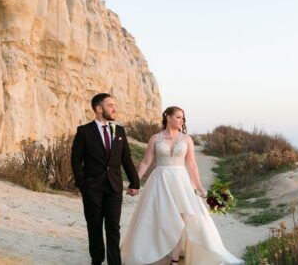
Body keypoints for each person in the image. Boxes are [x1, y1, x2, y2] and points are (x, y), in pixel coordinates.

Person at [120, 106, 243, 265]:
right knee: (161, 219)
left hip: (181, 182)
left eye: (183, 117)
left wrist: (199, 186)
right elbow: (146, 162)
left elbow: (191, 164)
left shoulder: (187, 139)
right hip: (160, 182)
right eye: (178, 117)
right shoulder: (155, 139)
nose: (182, 120)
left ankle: (175, 260)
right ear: (168, 117)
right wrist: (134, 183)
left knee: (180, 220)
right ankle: (159, 253)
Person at [71, 93, 140, 265]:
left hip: (114, 187)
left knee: (113, 228)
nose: (114, 108)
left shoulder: (120, 131)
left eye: (114, 105)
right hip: (92, 187)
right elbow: (75, 160)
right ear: (98, 108)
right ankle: (97, 259)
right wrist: (82, 185)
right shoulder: (84, 131)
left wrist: (135, 182)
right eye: (110, 105)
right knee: (94, 226)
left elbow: (126, 159)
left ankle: (114, 263)